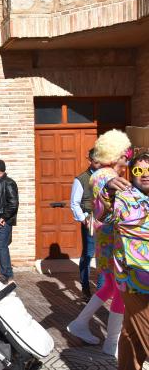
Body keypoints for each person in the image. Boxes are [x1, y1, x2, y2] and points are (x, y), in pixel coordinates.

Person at [67, 129, 131, 356]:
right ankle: (111, 343)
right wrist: (111, 182)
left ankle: (79, 324)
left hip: (108, 241)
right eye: (126, 152)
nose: (128, 156)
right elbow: (102, 180)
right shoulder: (103, 174)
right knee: (119, 290)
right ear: (115, 154)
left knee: (109, 287)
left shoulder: (109, 173)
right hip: (112, 244)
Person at [109, 151, 149, 370]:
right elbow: (104, 213)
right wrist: (106, 187)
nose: (145, 175)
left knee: (130, 334)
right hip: (134, 280)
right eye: (138, 170)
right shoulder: (125, 197)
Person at [70, 149, 103, 300]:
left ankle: (102, 291)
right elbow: (75, 203)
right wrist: (83, 218)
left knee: (103, 254)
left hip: (105, 220)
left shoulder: (107, 176)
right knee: (89, 254)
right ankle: (85, 288)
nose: (99, 165)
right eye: (96, 162)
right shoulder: (81, 179)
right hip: (89, 219)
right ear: (89, 160)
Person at [0, 159, 19, 281]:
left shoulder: (8, 183)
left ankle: (7, 274)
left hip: (3, 221)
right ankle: (1, 271)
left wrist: (4, 217)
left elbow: (13, 203)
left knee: (2, 246)